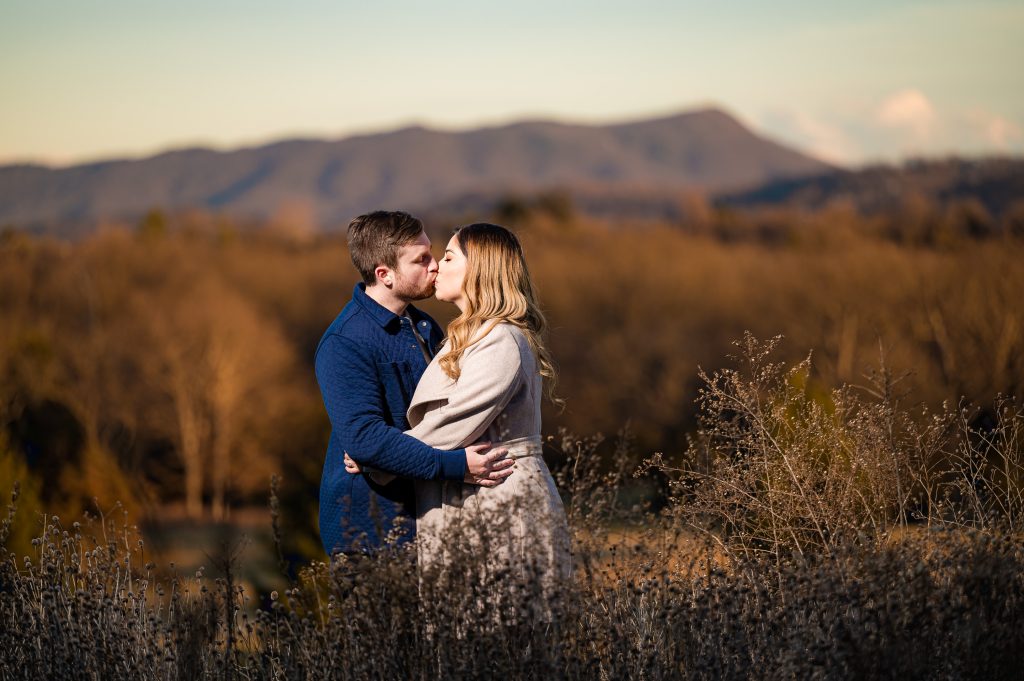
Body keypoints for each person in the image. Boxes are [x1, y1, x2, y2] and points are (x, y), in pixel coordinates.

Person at [347, 223, 571, 591]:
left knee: (502, 630)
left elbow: (454, 423)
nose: (436, 266)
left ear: (478, 270)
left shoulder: (502, 339)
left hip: (502, 496)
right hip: (472, 496)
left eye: (448, 257)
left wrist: (380, 455)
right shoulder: (463, 336)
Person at [315, 211, 514, 556]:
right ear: (384, 274)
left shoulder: (424, 326)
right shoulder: (345, 342)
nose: (434, 265)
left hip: (428, 517)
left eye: (432, 253)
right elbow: (364, 440)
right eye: (421, 260)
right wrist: (456, 467)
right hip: (370, 530)